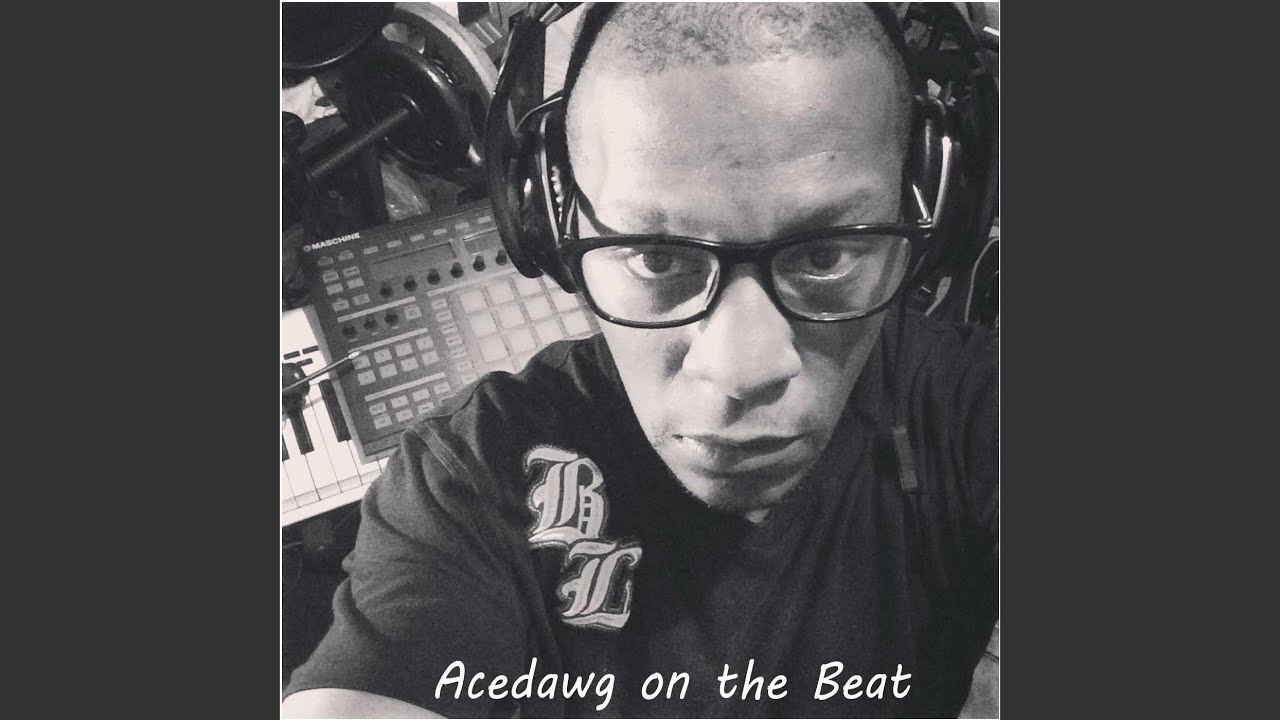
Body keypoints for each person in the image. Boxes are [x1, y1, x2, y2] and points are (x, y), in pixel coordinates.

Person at [282, 3, 998, 717]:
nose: (742, 369)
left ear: (934, 224)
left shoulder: (975, 406)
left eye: (826, 255)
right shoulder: (471, 478)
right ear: (551, 233)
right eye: (656, 258)